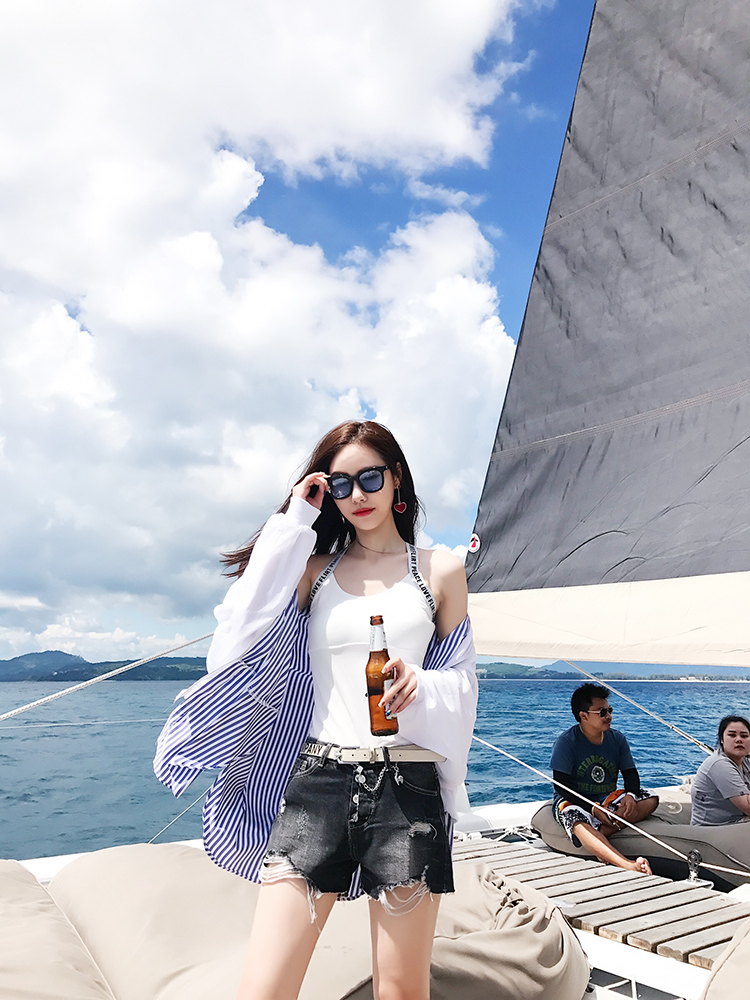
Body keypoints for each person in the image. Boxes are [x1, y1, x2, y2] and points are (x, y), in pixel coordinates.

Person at [154, 419, 478, 1000]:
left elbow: (463, 681)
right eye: (340, 484)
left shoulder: (440, 571)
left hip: (408, 790)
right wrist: (297, 519)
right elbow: (238, 632)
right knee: (264, 988)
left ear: (395, 478)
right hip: (319, 782)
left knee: (401, 990)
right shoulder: (314, 571)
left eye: (369, 478)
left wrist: (423, 685)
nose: (357, 496)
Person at [550, 683, 658, 875]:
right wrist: (592, 808)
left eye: (610, 710)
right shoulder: (567, 742)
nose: (609, 716)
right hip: (574, 801)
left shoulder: (617, 739)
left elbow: (630, 774)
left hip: (607, 799)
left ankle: (599, 834)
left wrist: (630, 795)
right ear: (583, 716)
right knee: (574, 818)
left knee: (651, 797)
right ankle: (627, 864)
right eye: (602, 712)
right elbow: (561, 786)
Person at [691, 715, 750, 826]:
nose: (739, 740)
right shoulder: (719, 765)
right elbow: (748, 807)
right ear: (722, 740)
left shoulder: (745, 761)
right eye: (732, 735)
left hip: (736, 821)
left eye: (744, 736)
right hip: (713, 828)